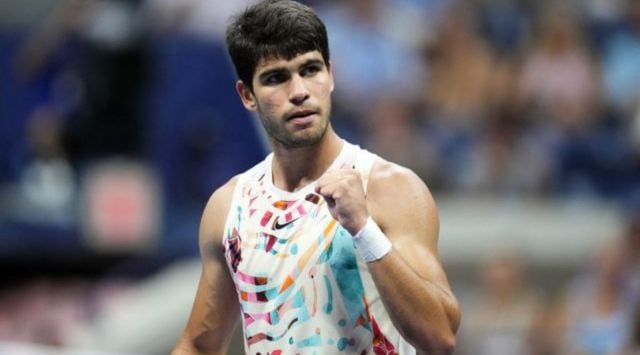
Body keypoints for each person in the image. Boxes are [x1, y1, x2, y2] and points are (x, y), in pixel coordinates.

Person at [172, 1, 461, 354]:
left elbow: (440, 336)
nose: (299, 92)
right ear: (247, 96)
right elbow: (200, 346)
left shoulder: (391, 188)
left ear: (331, 74)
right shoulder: (229, 207)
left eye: (310, 70)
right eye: (276, 78)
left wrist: (363, 229)